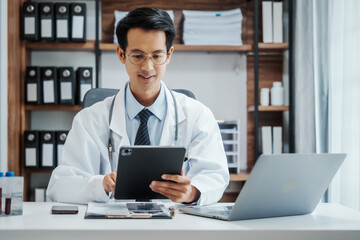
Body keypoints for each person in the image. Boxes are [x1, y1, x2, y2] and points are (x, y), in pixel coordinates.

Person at [47, 7, 229, 205]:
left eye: (157, 56)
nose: (147, 67)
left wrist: (191, 193)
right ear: (121, 54)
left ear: (169, 55)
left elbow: (215, 176)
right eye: (138, 55)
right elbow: (60, 186)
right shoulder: (89, 120)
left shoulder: (197, 115)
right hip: (112, 229)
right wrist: (100, 185)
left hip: (176, 229)